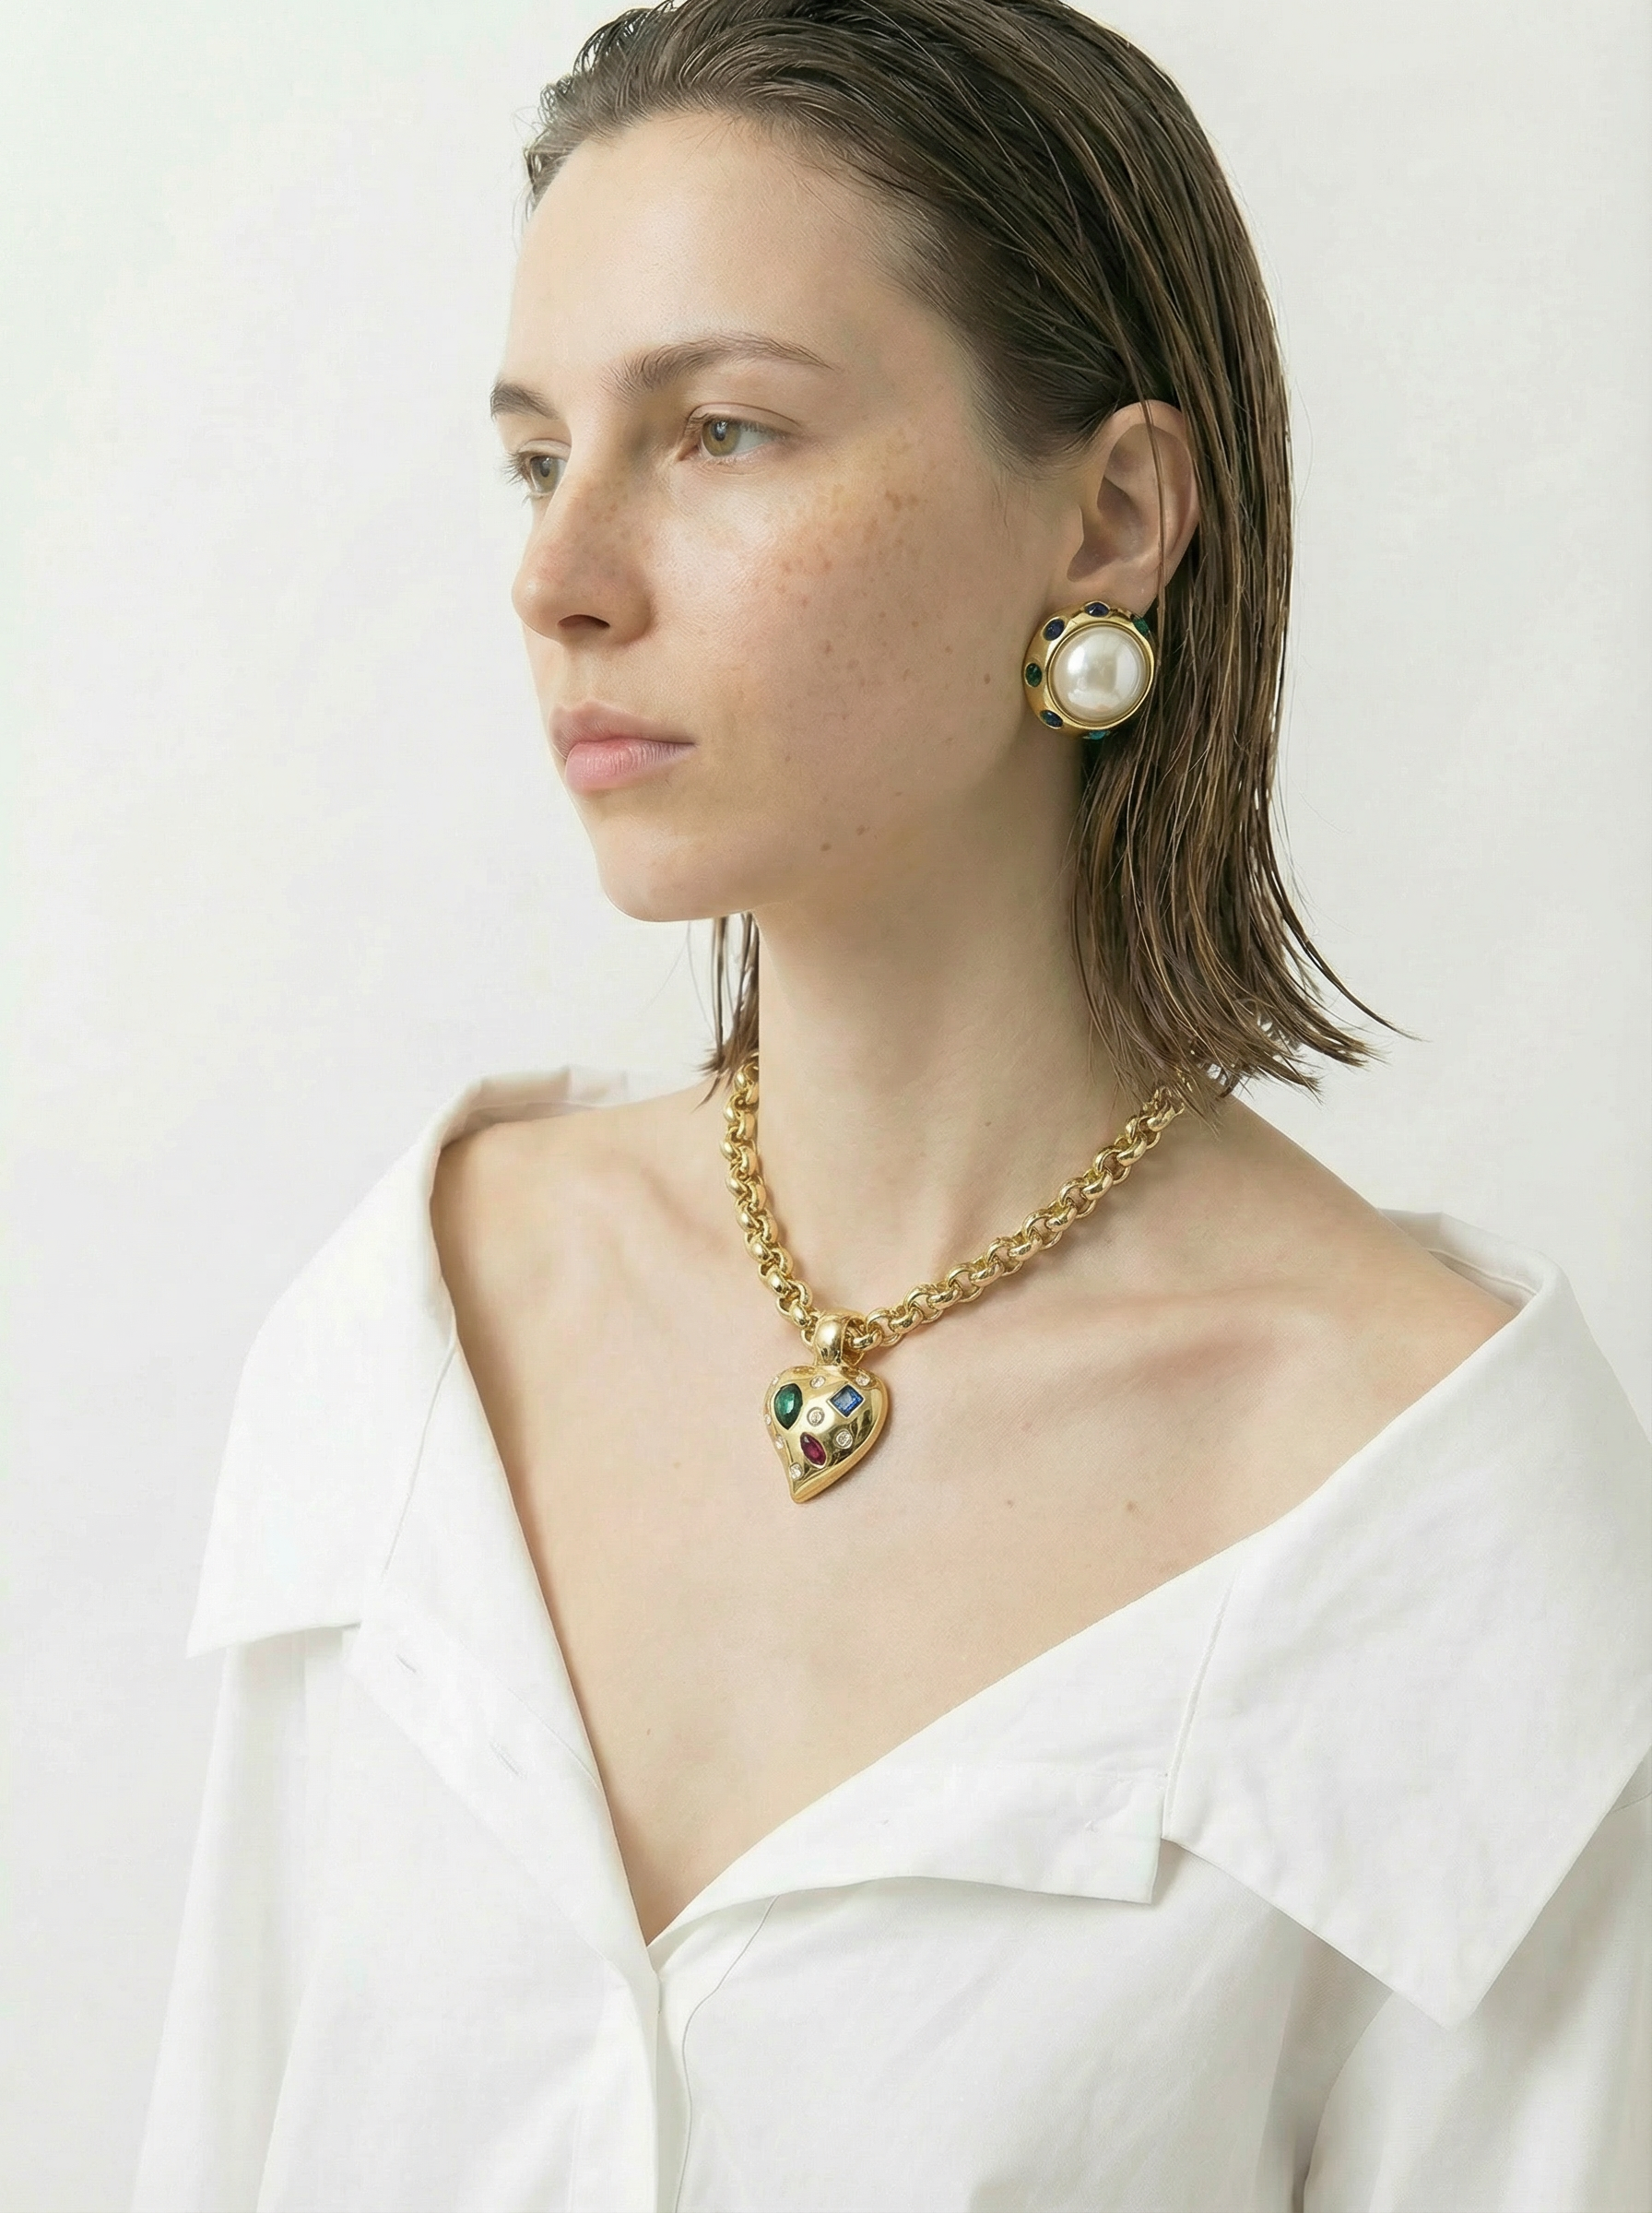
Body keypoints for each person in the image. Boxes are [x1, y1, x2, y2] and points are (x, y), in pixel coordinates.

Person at [133, 0, 1650, 2205]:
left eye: (721, 432)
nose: (561, 578)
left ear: (1108, 516)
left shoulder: (1430, 1521)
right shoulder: (414, 1330)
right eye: (538, 456)